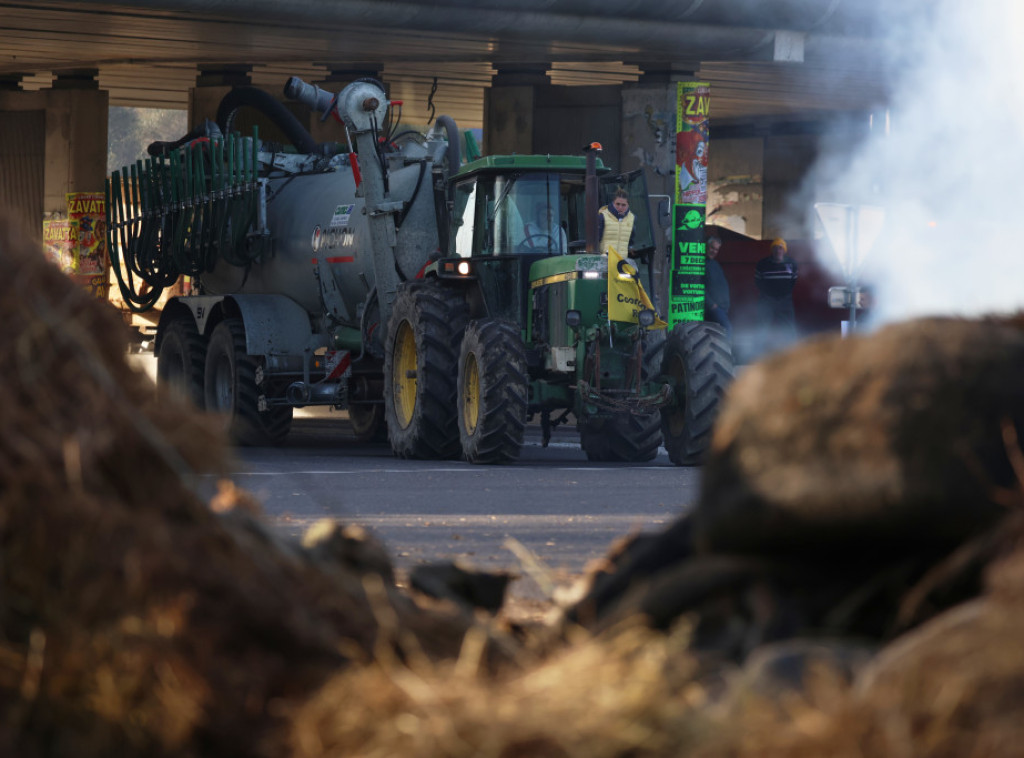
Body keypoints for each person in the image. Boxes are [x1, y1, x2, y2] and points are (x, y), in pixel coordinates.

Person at [754, 237, 799, 348]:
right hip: (766, 300)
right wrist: (768, 294)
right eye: (775, 248)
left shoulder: (792, 264)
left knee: (789, 328)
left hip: (785, 300)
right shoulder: (762, 264)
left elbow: (793, 281)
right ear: (771, 250)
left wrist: (784, 293)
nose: (778, 251)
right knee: (762, 327)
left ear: (784, 250)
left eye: (780, 248)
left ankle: (791, 352)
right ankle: (758, 354)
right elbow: (758, 281)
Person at [703, 234, 732, 339]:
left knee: (716, 335)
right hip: (713, 308)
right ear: (706, 246)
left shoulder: (715, 264)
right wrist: (711, 304)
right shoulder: (701, 263)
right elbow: (699, 286)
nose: (714, 251)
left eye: (716, 249)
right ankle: (727, 355)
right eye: (712, 247)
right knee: (726, 329)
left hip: (722, 308)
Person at [598, 188, 635, 256]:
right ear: (613, 203)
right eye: (617, 204)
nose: (620, 207)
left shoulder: (631, 218)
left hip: (621, 261)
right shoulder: (603, 216)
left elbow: (631, 241)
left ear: (628, 205)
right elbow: (597, 240)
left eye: (623, 205)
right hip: (605, 260)